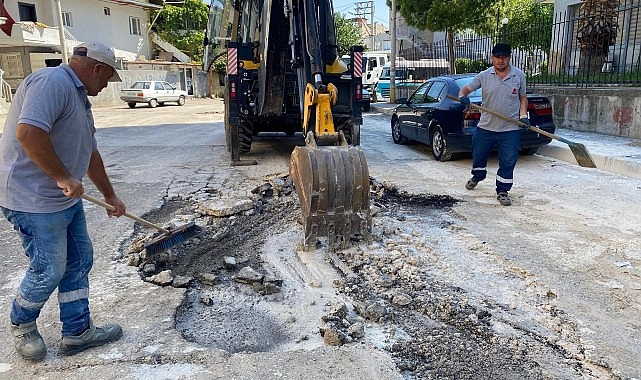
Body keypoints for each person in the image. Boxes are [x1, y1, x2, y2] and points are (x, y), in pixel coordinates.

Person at [0, 42, 127, 361]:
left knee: (79, 259)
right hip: (31, 198)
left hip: (62, 199)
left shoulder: (79, 97)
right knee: (49, 268)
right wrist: (62, 177)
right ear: (97, 69)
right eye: (109, 78)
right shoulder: (51, 83)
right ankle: (22, 324)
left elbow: (90, 151)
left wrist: (109, 194)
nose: (106, 86)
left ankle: (77, 331)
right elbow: (28, 134)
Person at [458, 43, 529, 206]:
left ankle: (503, 190)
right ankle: (478, 176)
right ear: (492, 58)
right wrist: (463, 97)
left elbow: (523, 97)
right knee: (479, 155)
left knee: (509, 160)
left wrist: (523, 116)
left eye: (504, 58)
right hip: (486, 127)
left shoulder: (518, 76)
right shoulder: (484, 75)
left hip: (510, 129)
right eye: (497, 57)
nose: (500, 61)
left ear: (509, 58)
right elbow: (466, 89)